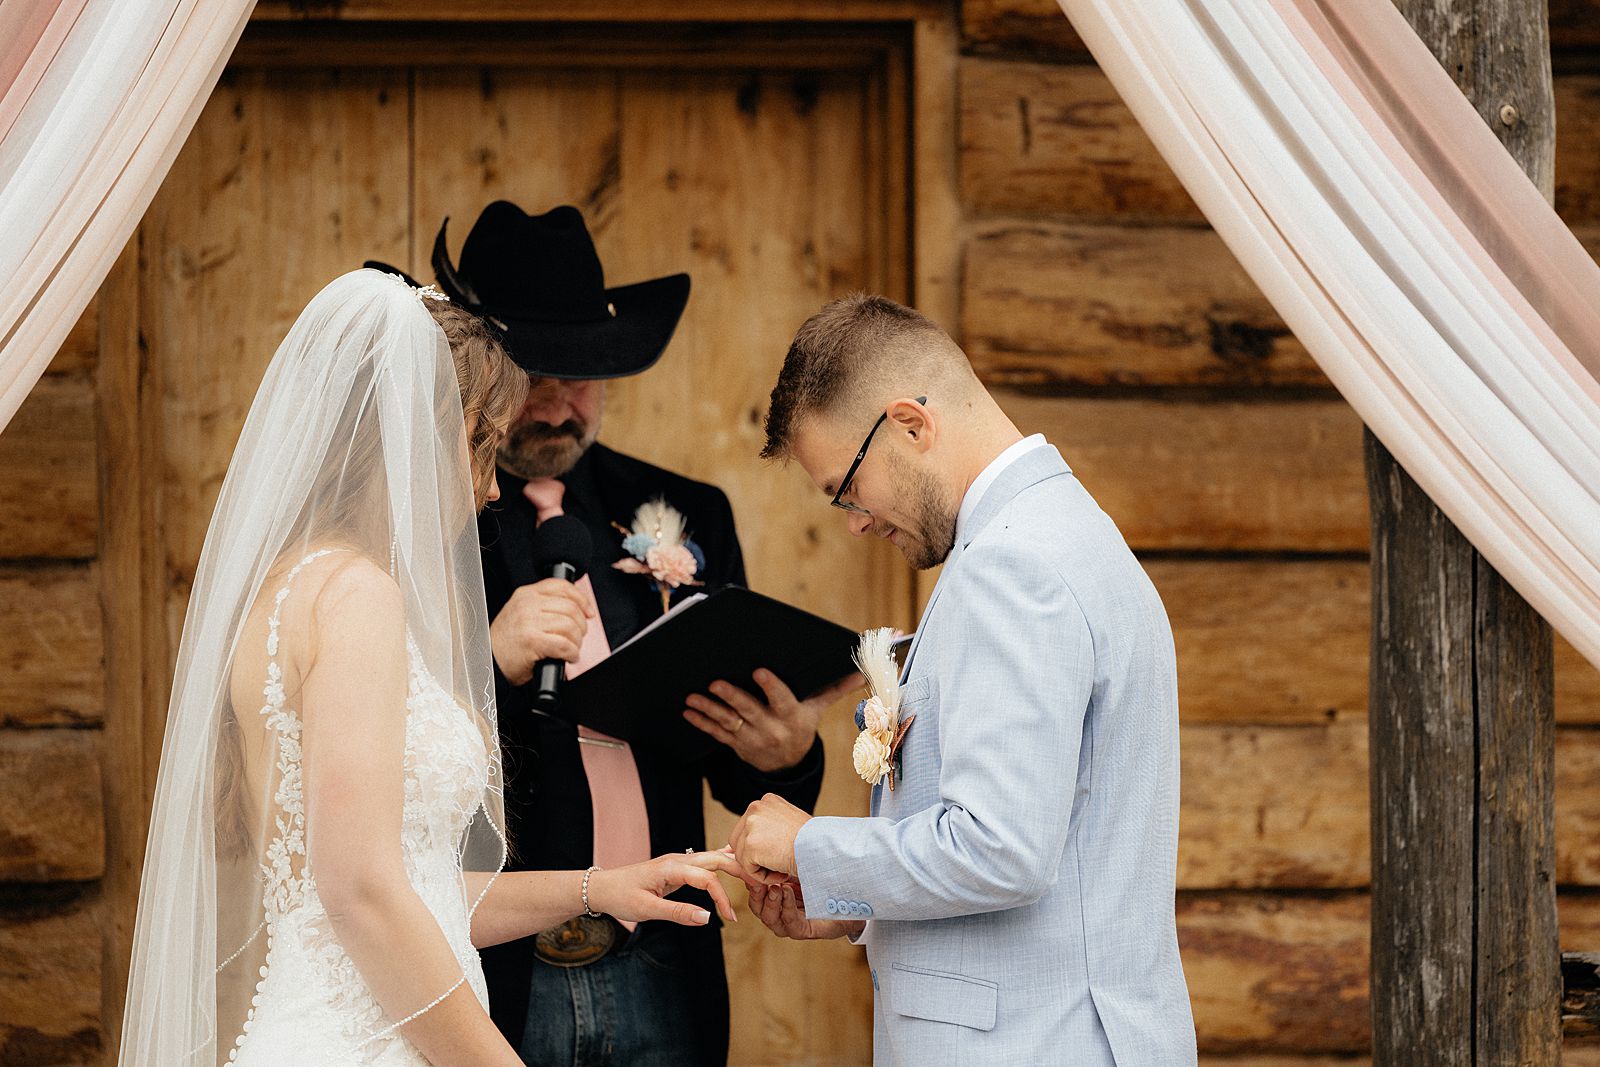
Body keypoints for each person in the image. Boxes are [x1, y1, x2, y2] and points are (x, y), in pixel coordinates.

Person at [116, 269, 749, 1067]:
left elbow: (408, 889)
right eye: (480, 443)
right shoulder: (356, 596)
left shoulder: (293, 583)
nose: (490, 486)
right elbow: (362, 894)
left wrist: (599, 886)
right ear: (406, 435)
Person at [425, 200, 855, 1065]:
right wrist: (488, 663)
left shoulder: (687, 513)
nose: (558, 406)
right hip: (493, 964)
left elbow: (725, 758)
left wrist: (783, 756)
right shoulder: (424, 520)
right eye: (538, 373)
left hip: (659, 955)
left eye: (585, 374)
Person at [729, 295, 1198, 1065]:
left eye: (847, 486)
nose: (853, 521)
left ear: (911, 424)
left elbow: (1002, 846)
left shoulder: (1013, 565)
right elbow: (1058, 850)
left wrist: (812, 845)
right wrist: (855, 907)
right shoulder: (1056, 530)